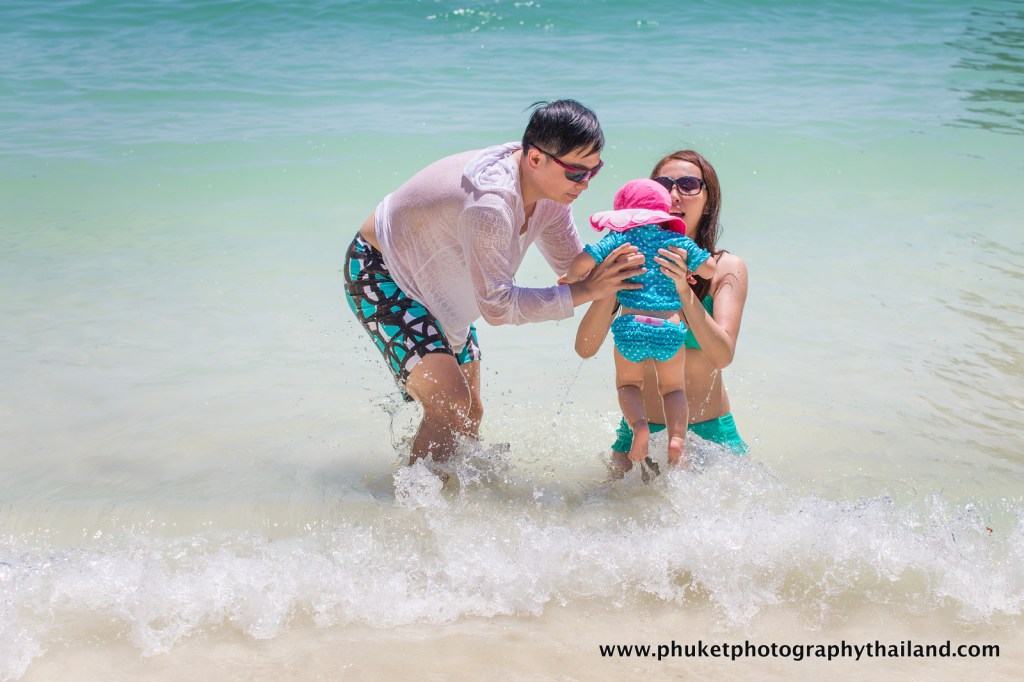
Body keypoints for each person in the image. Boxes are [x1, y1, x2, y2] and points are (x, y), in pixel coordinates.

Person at [343, 100, 643, 468]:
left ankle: (460, 510)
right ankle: (414, 517)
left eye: (594, 172)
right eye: (576, 173)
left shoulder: (550, 196)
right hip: (384, 273)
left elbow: (573, 268)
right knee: (450, 403)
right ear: (535, 159)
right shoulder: (489, 203)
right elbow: (499, 308)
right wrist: (587, 291)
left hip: (443, 284)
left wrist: (631, 261)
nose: (585, 184)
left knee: (470, 413)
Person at [574, 150, 749, 476]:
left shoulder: (725, 268)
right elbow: (585, 347)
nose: (673, 194)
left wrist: (683, 289)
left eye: (688, 184)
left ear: (709, 199)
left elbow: (722, 355)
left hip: (709, 436)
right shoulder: (629, 256)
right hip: (637, 434)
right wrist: (611, 284)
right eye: (663, 184)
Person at [565, 179, 716, 467]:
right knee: (673, 389)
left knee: (628, 385)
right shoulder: (677, 243)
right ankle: (677, 439)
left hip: (630, 326)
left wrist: (572, 279)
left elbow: (582, 261)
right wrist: (690, 267)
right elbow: (709, 269)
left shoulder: (619, 240)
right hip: (669, 329)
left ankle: (639, 427)